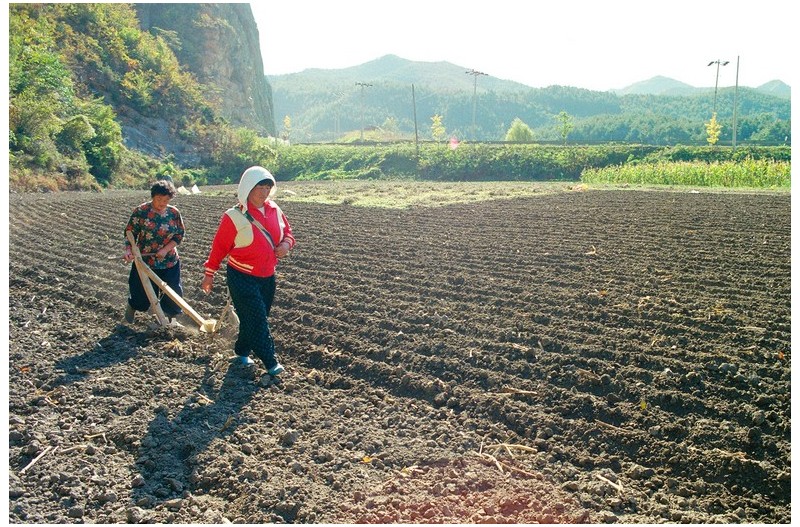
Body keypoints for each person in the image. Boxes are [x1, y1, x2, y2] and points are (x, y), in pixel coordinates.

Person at [201, 166, 295, 377]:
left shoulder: (275, 210)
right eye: (259, 187)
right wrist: (210, 273)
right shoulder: (233, 217)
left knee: (255, 317)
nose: (264, 192)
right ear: (247, 189)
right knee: (258, 319)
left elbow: (288, 233)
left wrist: (286, 246)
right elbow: (219, 248)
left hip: (267, 276)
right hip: (241, 276)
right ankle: (271, 363)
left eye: (268, 187)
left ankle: (241, 352)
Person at [123, 180, 186, 324]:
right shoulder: (141, 211)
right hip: (145, 261)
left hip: (169, 260)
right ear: (153, 196)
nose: (162, 203)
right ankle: (132, 308)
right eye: (159, 199)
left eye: (166, 200)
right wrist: (129, 250)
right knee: (140, 295)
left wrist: (165, 250)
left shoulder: (174, 213)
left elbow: (179, 235)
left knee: (172, 294)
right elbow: (129, 233)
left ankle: (169, 321)